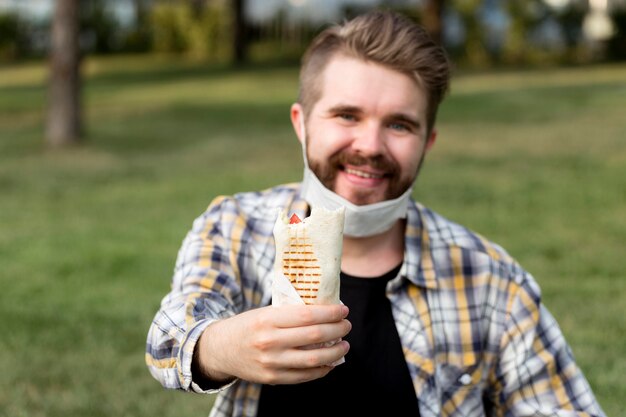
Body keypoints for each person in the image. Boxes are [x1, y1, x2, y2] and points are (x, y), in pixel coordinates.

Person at [145, 10, 606, 417]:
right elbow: (169, 340)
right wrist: (225, 347)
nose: (369, 146)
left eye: (399, 124)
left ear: (427, 142)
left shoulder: (491, 279)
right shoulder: (235, 227)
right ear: (301, 123)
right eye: (347, 115)